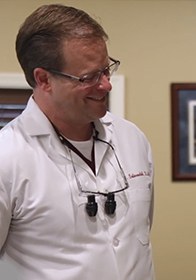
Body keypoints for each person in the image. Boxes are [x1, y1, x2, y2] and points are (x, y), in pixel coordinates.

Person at [0, 4, 155, 280]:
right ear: (44, 79)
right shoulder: (7, 156)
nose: (106, 85)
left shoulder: (132, 139)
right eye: (89, 77)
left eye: (107, 70)